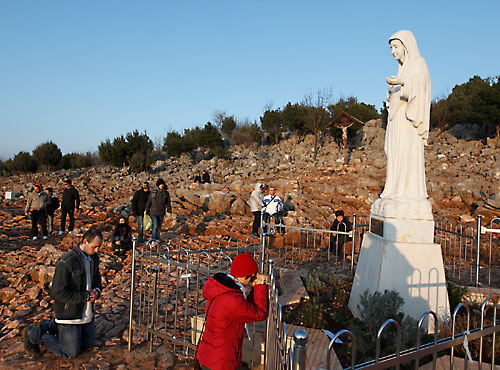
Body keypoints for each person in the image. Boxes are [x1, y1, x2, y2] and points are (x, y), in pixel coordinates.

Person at [23, 228, 103, 359]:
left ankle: (51, 326)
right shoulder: (67, 261)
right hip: (69, 315)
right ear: (84, 242)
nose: (97, 251)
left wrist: (97, 291)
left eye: (98, 247)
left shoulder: (94, 258)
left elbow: (97, 279)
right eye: (95, 247)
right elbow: (57, 292)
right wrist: (85, 296)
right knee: (70, 353)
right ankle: (34, 334)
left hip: (86, 313)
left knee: (87, 345)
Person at [380, 30, 431, 203]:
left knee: (404, 154)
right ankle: (394, 189)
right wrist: (390, 91)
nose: (393, 51)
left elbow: (421, 84)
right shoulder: (401, 69)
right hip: (396, 121)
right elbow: (393, 100)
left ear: (405, 46)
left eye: (395, 47)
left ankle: (405, 192)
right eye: (391, 48)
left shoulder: (418, 63)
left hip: (407, 121)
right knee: (393, 153)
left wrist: (401, 82)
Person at [196, 252, 267, 370]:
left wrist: (255, 288)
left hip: (210, 354)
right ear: (247, 277)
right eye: (252, 278)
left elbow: (246, 307)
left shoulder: (225, 288)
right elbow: (259, 313)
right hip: (220, 360)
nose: (252, 281)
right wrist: (260, 287)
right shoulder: (232, 299)